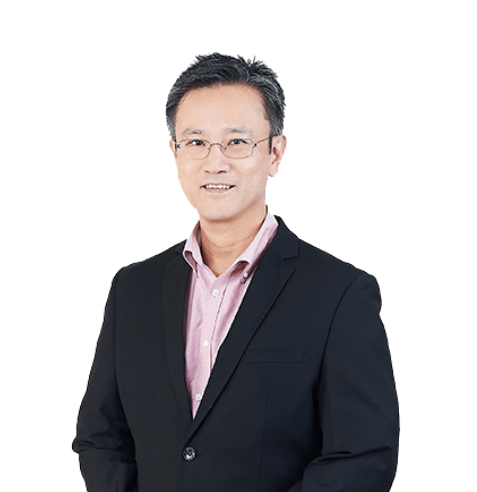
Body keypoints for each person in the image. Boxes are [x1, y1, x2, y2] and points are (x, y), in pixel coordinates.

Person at [74, 52, 398, 492]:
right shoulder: (133, 289)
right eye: (196, 142)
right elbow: (101, 438)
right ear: (174, 154)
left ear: (275, 153)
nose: (215, 162)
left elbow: (362, 455)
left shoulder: (339, 293)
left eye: (236, 142)